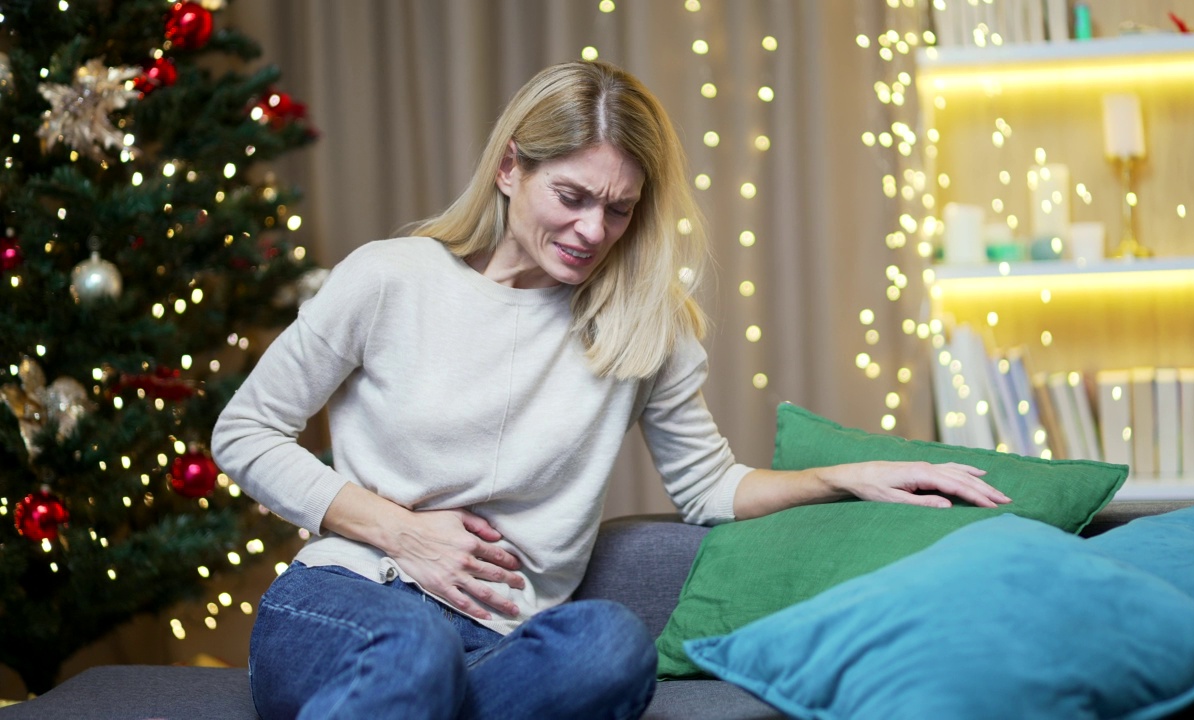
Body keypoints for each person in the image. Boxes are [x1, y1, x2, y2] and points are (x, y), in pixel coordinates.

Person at [212, 59, 1008, 720]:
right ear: (509, 168)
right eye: (573, 197)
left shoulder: (639, 324)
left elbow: (708, 486)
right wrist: (401, 531)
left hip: (499, 644)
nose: (594, 230)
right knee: (413, 656)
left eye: (619, 209)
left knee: (611, 646)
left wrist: (844, 476)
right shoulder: (391, 277)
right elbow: (243, 433)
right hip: (351, 602)